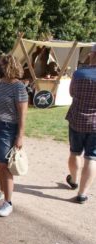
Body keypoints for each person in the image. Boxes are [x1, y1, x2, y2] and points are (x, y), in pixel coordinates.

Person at [0, 54, 28, 217]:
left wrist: (20, 136)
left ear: (8, 65)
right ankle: (2, 192)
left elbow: (23, 113)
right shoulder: (1, 84)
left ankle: (8, 202)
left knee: (5, 166)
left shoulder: (18, 87)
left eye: (0, 63)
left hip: (8, 129)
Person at [65, 44, 96, 204]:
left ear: (92, 55)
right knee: (91, 158)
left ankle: (74, 180)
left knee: (75, 152)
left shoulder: (79, 73)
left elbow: (71, 93)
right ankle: (82, 194)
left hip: (77, 119)